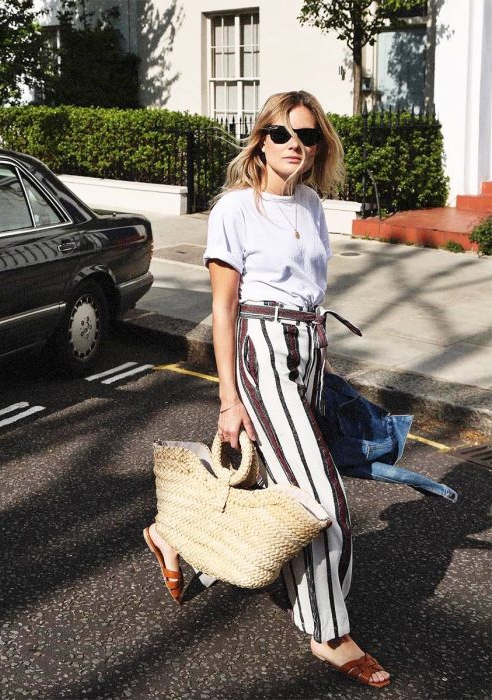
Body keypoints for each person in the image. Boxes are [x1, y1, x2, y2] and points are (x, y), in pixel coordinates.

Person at [143, 91, 391, 689]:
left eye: (308, 137)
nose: (295, 146)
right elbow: (223, 311)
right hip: (262, 349)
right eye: (282, 134)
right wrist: (229, 401)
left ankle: (179, 541)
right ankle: (330, 633)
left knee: (268, 484)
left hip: (308, 348)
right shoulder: (235, 208)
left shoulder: (310, 204)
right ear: (261, 138)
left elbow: (310, 289)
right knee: (321, 500)